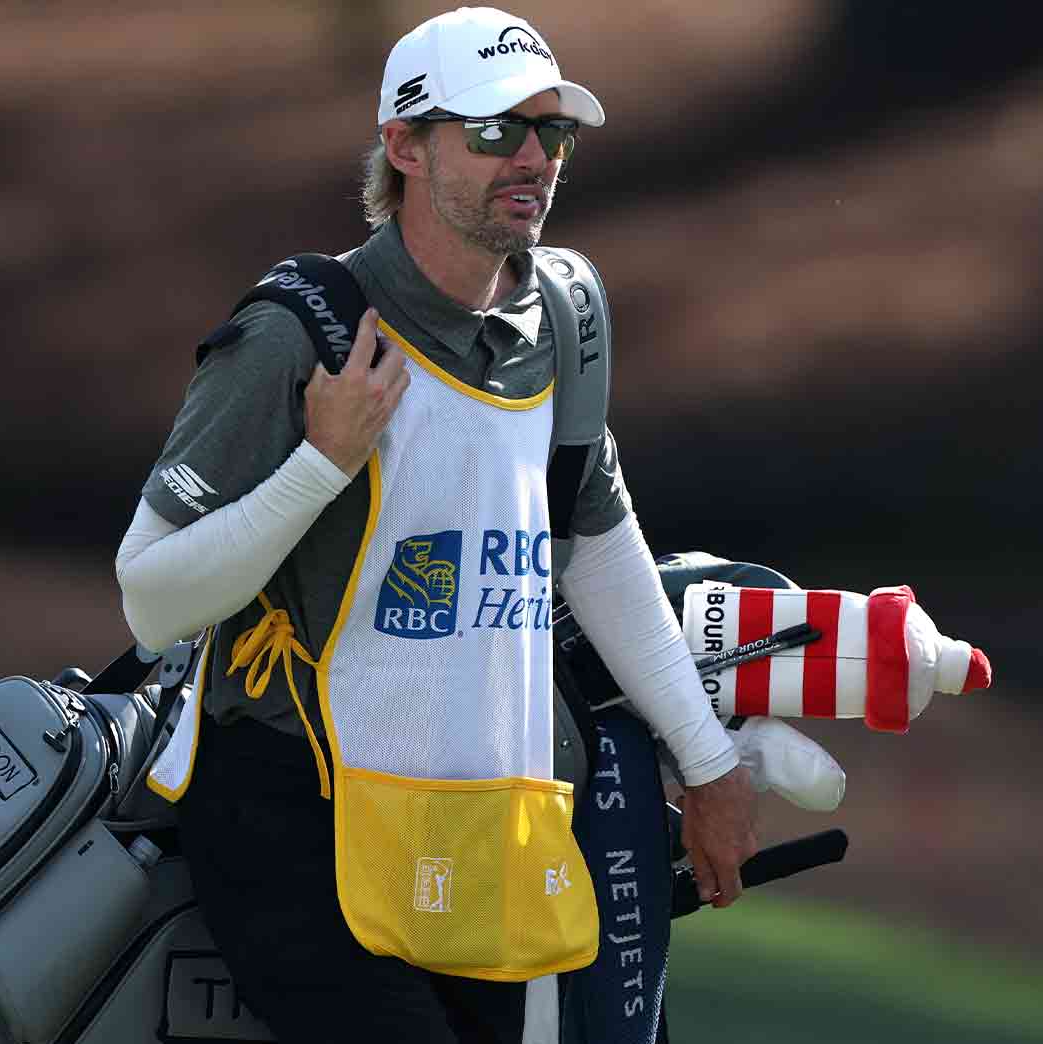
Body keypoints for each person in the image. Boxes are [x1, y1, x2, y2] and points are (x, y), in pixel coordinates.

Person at [114, 8, 755, 1042]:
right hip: (294, 820)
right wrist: (322, 463)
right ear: (404, 148)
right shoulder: (299, 333)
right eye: (497, 132)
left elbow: (596, 550)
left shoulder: (561, 326)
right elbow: (150, 595)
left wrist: (709, 765)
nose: (536, 159)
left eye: (555, 133)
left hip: (477, 831)